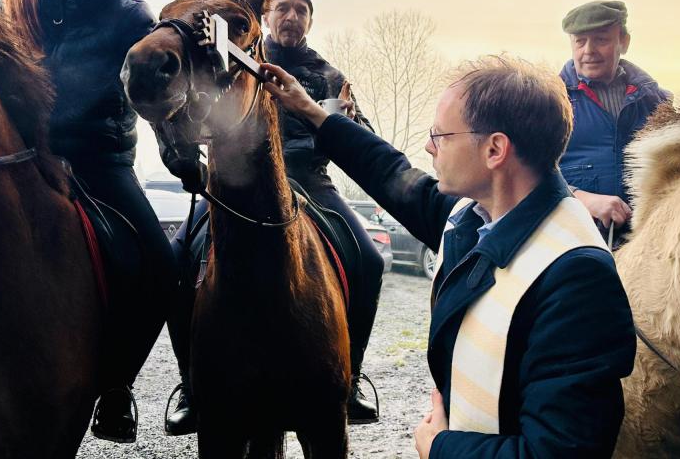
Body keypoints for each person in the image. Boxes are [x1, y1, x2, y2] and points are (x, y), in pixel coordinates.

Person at [260, 55, 636, 458]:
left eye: (440, 136)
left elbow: (558, 452)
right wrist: (314, 113)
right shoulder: (474, 215)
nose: (428, 146)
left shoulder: (576, 278)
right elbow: (390, 171)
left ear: (495, 150)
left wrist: (441, 448)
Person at [163, 0, 384, 433]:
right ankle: (191, 384)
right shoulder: (235, 57)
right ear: (266, 17)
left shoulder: (329, 74)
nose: (291, 16)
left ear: (310, 20)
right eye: (283, 7)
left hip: (310, 181)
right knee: (175, 257)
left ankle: (351, 374)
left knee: (372, 259)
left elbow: (356, 131)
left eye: (301, 10)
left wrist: (349, 117)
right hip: (244, 185)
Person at [2, 0, 177, 444]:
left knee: (161, 265)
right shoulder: (15, 5)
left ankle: (118, 386)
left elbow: (158, 85)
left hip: (102, 164)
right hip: (30, 159)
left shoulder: (129, 14)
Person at [558, 1, 671, 240]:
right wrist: (582, 200)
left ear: (624, 42)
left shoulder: (658, 102)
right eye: (580, 41)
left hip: (646, 243)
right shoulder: (550, 102)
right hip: (571, 243)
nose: (588, 50)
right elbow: (527, 176)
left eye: (600, 39)